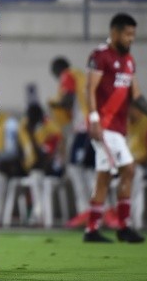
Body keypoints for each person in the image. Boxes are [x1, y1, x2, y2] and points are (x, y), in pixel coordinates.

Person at [83, 12, 147, 243]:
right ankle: (123, 226)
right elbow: (90, 88)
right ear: (115, 32)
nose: (131, 39)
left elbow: (136, 95)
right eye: (128, 34)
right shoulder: (100, 56)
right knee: (128, 168)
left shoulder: (129, 61)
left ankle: (92, 229)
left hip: (118, 128)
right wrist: (94, 119)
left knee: (104, 177)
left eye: (133, 34)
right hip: (104, 125)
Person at [49, 57, 94, 216]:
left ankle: (85, 210)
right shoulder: (81, 75)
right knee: (90, 169)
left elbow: (67, 100)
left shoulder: (68, 75)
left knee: (75, 167)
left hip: (85, 127)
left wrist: (54, 104)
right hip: (93, 125)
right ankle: (97, 210)